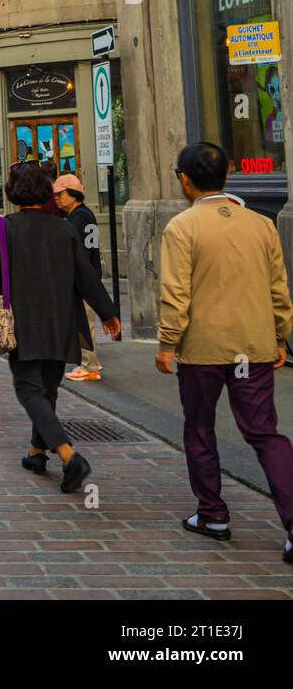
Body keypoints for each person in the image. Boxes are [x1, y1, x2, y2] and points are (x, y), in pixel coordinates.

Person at [156, 141, 293, 561]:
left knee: (199, 426)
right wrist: (281, 335)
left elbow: (175, 293)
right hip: (253, 345)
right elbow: (278, 287)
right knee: (264, 431)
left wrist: (167, 342)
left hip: (203, 347)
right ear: (227, 174)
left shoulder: (182, 227)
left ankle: (212, 512)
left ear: (185, 179)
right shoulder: (261, 224)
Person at [0, 161, 121, 494]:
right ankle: (36, 452)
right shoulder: (64, 228)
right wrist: (108, 312)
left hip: (22, 321)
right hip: (61, 320)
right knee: (48, 389)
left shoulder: (2, 228)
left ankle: (69, 456)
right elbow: (85, 276)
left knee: (29, 389)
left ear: (12, 192)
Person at [53, 175, 105, 382]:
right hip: (89, 277)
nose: (57, 198)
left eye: (61, 194)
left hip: (83, 279)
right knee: (85, 322)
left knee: (84, 323)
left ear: (74, 194)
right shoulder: (84, 214)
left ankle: (89, 366)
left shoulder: (78, 218)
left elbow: (76, 252)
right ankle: (90, 362)